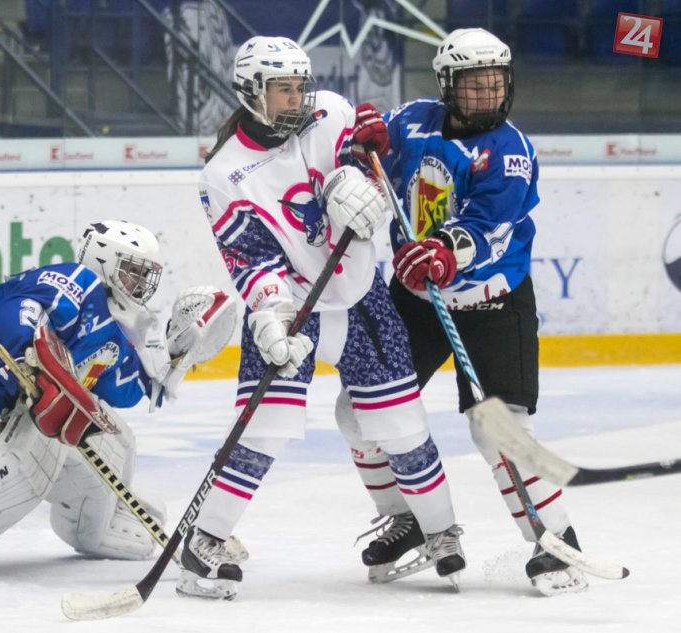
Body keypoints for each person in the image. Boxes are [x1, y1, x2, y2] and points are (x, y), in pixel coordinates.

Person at [182, 35, 465, 601]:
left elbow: (370, 166)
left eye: (299, 86)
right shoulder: (224, 174)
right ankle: (205, 541)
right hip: (295, 307)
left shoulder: (331, 113)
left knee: (402, 423)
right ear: (250, 93)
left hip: (360, 296)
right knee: (264, 427)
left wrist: (368, 166)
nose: (296, 98)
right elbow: (250, 259)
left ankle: (440, 532)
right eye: (282, 89)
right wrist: (269, 313)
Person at [351, 28, 587, 596]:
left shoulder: (510, 152)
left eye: (495, 83)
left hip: (493, 302)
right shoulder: (414, 120)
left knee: (496, 430)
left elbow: (489, 226)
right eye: (474, 84)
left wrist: (444, 252)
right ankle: (407, 517)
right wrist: (359, 145)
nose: (487, 94)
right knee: (358, 410)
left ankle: (557, 543)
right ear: (446, 84)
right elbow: (365, 153)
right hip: (417, 299)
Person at [0, 220, 235, 581]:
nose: (139, 282)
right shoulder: (75, 282)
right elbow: (14, 316)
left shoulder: (115, 328)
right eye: (132, 270)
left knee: (115, 441)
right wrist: (28, 358)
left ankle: (94, 527)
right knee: (41, 450)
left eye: (144, 274)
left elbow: (126, 390)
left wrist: (177, 355)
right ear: (103, 260)